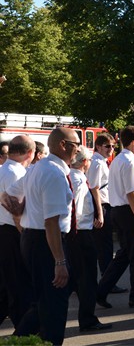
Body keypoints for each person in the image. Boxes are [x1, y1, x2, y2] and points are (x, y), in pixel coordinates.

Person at [6, 127, 78, 345]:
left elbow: (7, 194)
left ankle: (16, 342)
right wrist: (60, 260)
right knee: (54, 307)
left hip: (34, 239)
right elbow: (51, 222)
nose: (78, 149)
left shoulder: (39, 168)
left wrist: (18, 211)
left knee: (44, 303)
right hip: (45, 242)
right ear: (63, 145)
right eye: (75, 145)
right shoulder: (53, 173)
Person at [96, 126, 134, 308]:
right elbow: (130, 193)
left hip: (117, 211)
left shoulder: (119, 159)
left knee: (124, 255)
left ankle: (101, 290)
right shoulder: (127, 161)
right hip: (128, 211)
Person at [67, 146, 111, 332]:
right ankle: (87, 320)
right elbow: (73, 208)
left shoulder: (77, 177)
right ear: (85, 162)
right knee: (86, 280)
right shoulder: (76, 180)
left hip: (80, 233)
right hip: (80, 234)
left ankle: (88, 318)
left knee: (78, 280)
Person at [0, 135, 36, 331]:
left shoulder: (3, 169)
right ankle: (24, 332)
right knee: (19, 286)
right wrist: (24, 233)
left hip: (4, 231)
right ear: (29, 153)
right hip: (13, 232)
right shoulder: (17, 173)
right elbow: (15, 210)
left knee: (7, 285)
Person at [86, 133, 123, 291]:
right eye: (108, 146)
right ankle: (108, 282)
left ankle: (106, 281)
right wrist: (100, 213)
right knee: (104, 246)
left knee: (103, 245)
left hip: (103, 205)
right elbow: (93, 187)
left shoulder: (101, 161)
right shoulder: (97, 163)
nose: (111, 149)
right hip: (100, 205)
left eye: (114, 146)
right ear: (99, 146)